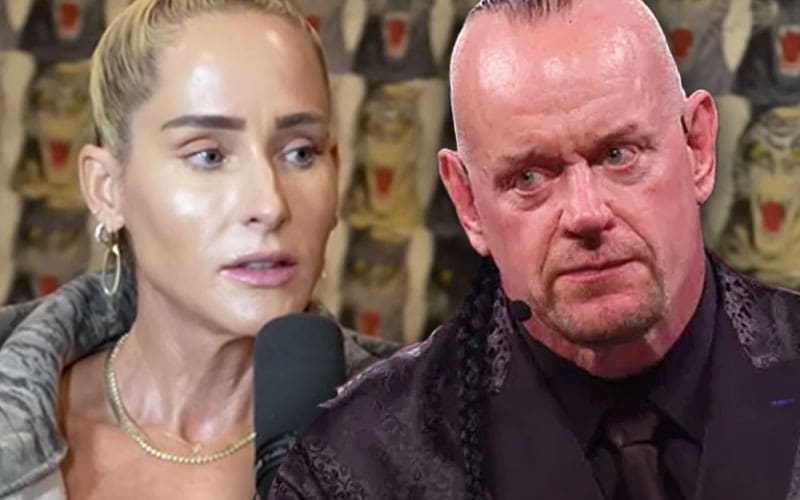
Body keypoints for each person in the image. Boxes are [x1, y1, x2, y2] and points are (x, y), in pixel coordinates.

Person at [269, 0, 800, 499]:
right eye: (528, 177)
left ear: (698, 147)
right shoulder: (357, 468)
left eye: (619, 154)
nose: (586, 214)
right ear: (467, 202)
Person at [0, 1, 398, 498]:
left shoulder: (430, 435)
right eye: (208, 155)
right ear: (106, 188)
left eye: (300, 153)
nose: (270, 205)